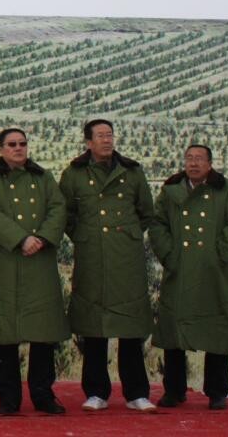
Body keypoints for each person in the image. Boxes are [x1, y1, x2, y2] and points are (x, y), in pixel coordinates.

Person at [59, 118, 156, 412]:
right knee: (94, 326)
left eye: (110, 135)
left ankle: (136, 393)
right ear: (88, 142)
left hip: (126, 258)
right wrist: (86, 237)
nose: (106, 140)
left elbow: (146, 212)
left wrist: (127, 236)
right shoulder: (74, 174)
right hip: (92, 257)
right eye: (100, 136)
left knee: (130, 327)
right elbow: (66, 214)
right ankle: (96, 392)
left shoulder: (132, 171)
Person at [150, 144, 228, 410]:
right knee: (175, 331)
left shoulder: (227, 189)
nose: (193, 163)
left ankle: (217, 392)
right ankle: (174, 390)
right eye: (189, 158)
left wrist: (219, 251)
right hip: (180, 268)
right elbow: (157, 223)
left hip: (213, 270)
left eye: (199, 159)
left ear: (210, 163)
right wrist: (169, 255)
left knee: (217, 329)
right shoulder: (170, 191)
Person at [0, 127, 69, 415]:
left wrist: (41, 237)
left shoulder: (44, 177)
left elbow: (58, 208)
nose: (18, 148)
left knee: (43, 335)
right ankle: (8, 399)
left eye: (22, 143)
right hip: (7, 261)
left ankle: (43, 395)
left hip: (39, 261)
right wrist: (21, 239)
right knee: (6, 336)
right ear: (1, 149)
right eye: (12, 144)